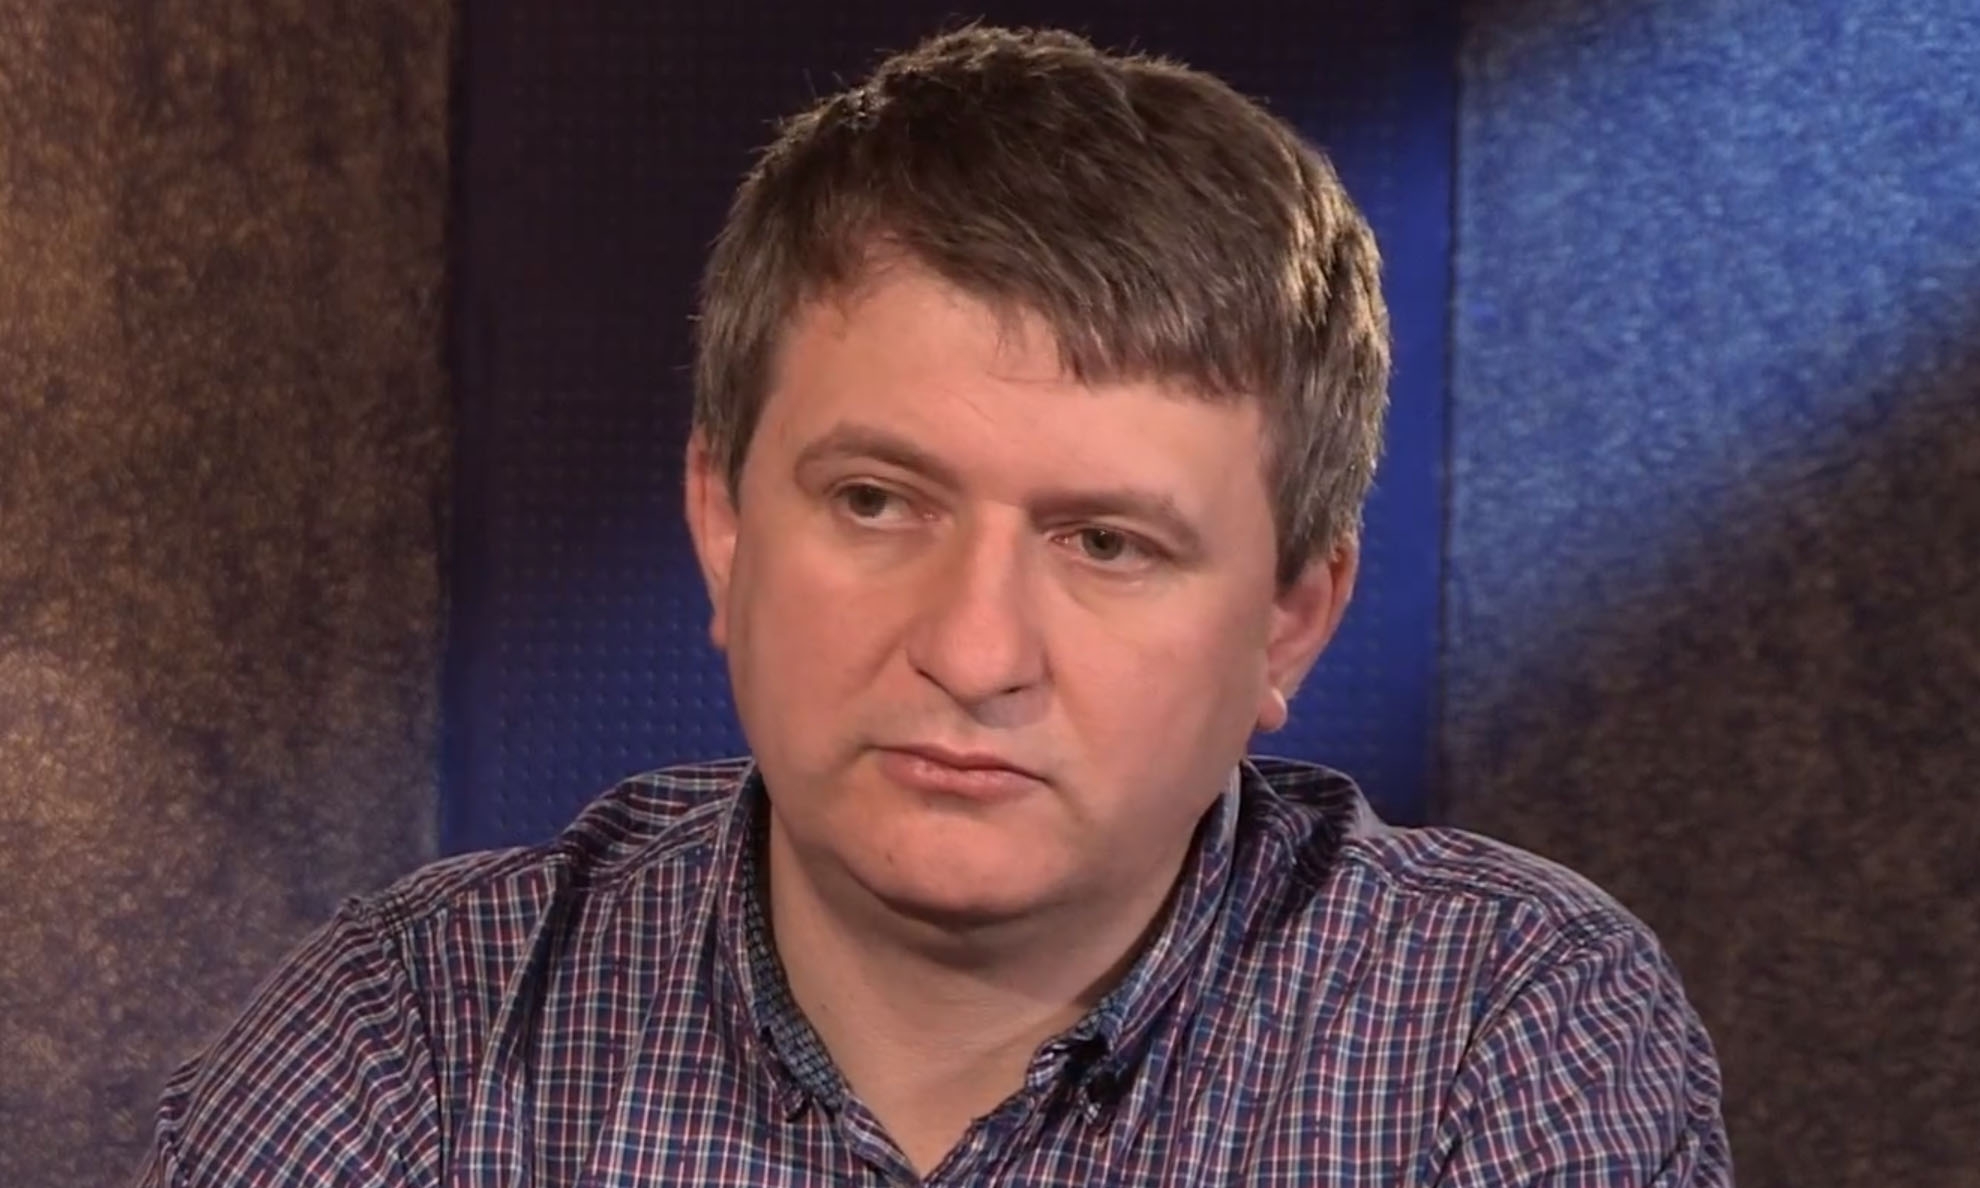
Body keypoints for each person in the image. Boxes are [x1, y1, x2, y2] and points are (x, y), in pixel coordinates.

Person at [136, 24, 1731, 1186]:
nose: (972, 653)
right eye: (876, 502)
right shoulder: (411, 1042)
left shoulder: (1498, 1033)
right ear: (722, 526)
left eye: (1107, 543)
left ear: (1291, 622)